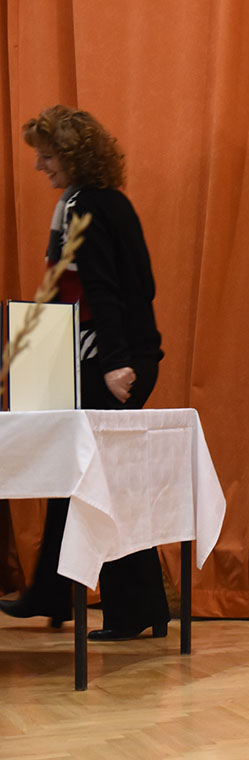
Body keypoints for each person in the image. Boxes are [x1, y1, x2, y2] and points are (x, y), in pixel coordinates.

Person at [0, 105, 169, 642]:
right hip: (125, 353)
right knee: (80, 471)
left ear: (72, 157)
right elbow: (143, 284)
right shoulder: (113, 202)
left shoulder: (80, 206)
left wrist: (116, 361)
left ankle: (131, 607)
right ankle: (58, 593)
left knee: (102, 482)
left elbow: (102, 288)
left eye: (47, 156)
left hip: (106, 360)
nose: (39, 166)